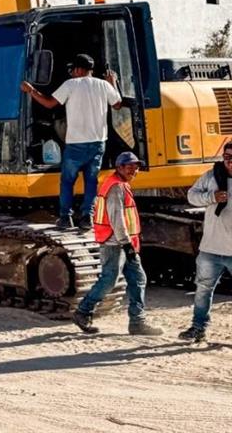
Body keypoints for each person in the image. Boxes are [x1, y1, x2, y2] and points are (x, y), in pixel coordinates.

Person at [21, 53, 123, 230]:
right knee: (91, 181)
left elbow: (49, 104)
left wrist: (31, 91)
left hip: (76, 143)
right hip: (98, 142)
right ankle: (87, 217)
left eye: (72, 70)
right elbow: (117, 104)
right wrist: (112, 82)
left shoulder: (70, 85)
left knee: (68, 181)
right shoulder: (103, 85)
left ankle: (65, 217)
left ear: (78, 69)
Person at [72, 151, 163, 336]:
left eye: (136, 167)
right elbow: (117, 219)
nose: (134, 171)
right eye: (129, 167)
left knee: (138, 279)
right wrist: (127, 244)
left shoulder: (119, 184)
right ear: (119, 167)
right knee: (109, 280)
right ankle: (83, 311)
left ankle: (137, 322)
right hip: (115, 243)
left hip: (121, 242)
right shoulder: (116, 187)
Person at [178, 140, 232, 343]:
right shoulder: (211, 176)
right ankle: (198, 328)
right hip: (211, 249)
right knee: (203, 290)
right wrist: (211, 197)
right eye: (227, 158)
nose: (230, 162)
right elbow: (192, 195)